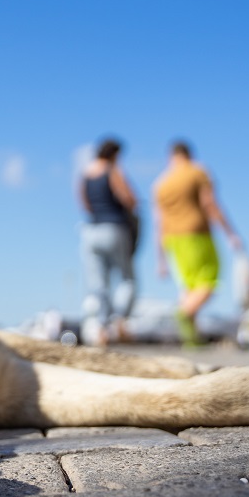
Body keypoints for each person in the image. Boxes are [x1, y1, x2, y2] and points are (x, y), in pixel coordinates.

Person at [152, 139, 242, 346]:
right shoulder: (197, 171)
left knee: (189, 287)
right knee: (209, 280)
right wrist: (230, 233)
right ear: (189, 154)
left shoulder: (161, 184)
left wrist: (161, 259)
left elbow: (159, 222)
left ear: (171, 157)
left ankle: (192, 340)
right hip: (196, 233)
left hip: (171, 240)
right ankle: (184, 313)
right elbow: (209, 203)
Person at [78, 137, 140, 346]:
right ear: (114, 154)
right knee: (126, 278)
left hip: (90, 231)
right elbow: (129, 199)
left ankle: (101, 327)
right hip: (114, 228)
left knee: (98, 284)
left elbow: (84, 204)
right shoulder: (112, 170)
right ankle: (119, 320)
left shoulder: (85, 173)